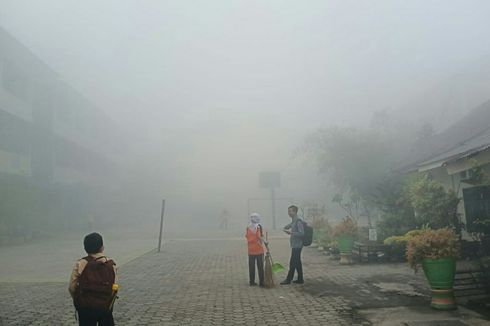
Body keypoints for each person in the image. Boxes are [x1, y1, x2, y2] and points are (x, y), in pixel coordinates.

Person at [69, 232, 118, 326]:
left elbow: (72, 287)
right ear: (102, 247)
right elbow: (115, 287)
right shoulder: (110, 264)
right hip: (105, 306)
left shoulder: (80, 263)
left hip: (85, 306)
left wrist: (78, 299)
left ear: (85, 248)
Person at [281, 205, 305, 285]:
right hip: (295, 244)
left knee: (293, 262)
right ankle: (300, 279)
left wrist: (291, 233)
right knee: (297, 262)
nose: (289, 213)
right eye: (288, 211)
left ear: (295, 212)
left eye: (290, 211)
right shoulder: (294, 220)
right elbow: (291, 224)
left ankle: (288, 279)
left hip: (297, 245)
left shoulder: (298, 221)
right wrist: (287, 227)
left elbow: (302, 233)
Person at [245, 213, 266, 287]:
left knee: (251, 266)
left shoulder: (248, 227)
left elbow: (247, 236)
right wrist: (265, 241)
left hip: (250, 250)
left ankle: (252, 281)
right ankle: (262, 282)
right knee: (260, 266)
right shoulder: (258, 226)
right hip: (258, 249)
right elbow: (259, 236)